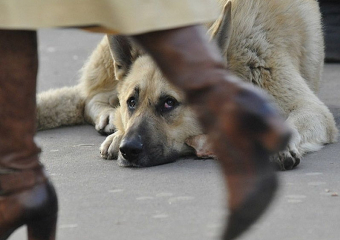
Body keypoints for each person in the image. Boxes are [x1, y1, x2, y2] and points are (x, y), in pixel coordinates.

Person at [0, 1, 290, 240]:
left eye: (168, 104)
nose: (130, 142)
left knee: (18, 10)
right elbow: (88, 96)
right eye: (131, 103)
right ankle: (21, 180)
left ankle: (22, 183)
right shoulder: (135, 73)